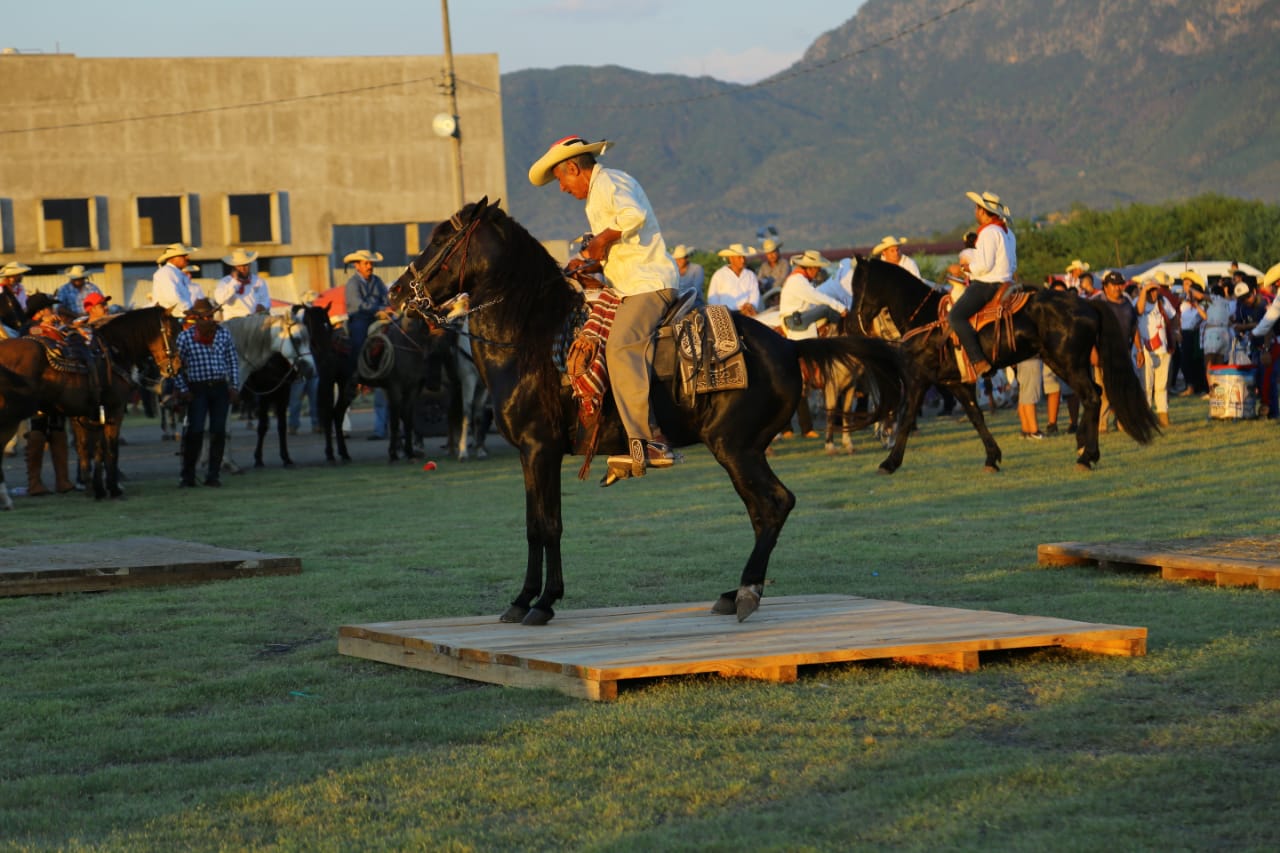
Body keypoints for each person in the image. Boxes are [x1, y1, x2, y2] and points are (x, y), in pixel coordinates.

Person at [528, 134, 679, 477]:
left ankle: (649, 441)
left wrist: (601, 239)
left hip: (647, 284)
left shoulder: (609, 181)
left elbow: (634, 215)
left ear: (572, 168)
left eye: (561, 179)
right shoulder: (599, 192)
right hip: (628, 287)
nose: (562, 188)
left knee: (621, 347)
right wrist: (589, 262)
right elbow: (619, 244)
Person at [778, 251, 846, 440]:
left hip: (799, 320)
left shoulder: (800, 280)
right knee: (827, 310)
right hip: (796, 322)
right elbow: (818, 298)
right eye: (816, 268)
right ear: (809, 268)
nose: (817, 271)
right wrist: (842, 308)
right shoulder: (798, 281)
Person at [172, 298, 240, 487]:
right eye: (204, 317)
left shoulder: (223, 334)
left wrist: (234, 386)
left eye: (210, 316)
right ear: (196, 318)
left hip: (220, 387)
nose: (209, 320)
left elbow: (232, 361)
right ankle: (188, 476)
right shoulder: (185, 337)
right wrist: (183, 389)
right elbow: (176, 367)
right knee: (195, 431)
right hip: (197, 389)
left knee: (218, 431)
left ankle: (213, 475)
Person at [950, 191, 1017, 376]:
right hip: (1007, 282)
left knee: (955, 316)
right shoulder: (1007, 232)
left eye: (976, 208)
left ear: (981, 210)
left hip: (988, 285)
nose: (975, 211)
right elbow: (1013, 264)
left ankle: (978, 360)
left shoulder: (988, 232)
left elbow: (984, 266)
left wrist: (963, 269)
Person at [21, 294, 77, 496]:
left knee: (58, 430)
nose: (53, 312)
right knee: (37, 431)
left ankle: (63, 480)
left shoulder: (54, 328)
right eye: (49, 308)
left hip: (56, 389)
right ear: (40, 312)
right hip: (38, 389)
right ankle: (34, 483)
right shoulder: (30, 329)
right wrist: (47, 327)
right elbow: (33, 339)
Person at [1097, 271, 1143, 432]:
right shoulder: (1098, 304)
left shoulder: (1127, 303)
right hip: (1104, 354)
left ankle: (1122, 422)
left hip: (1123, 354)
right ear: (1105, 286)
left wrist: (1139, 349)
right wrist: (1093, 353)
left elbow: (1134, 328)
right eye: (1113, 285)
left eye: (1120, 284)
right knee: (1105, 392)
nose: (1117, 288)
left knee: (1123, 389)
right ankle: (1101, 424)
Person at [1136, 276, 1178, 426]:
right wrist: (1144, 291)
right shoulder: (1137, 302)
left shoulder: (1163, 301)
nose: (1153, 293)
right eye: (1150, 290)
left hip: (1163, 348)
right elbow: (1139, 311)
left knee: (1162, 385)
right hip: (1145, 349)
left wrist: (1175, 332)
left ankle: (1163, 415)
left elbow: (1174, 316)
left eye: (1155, 290)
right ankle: (1146, 417)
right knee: (1146, 386)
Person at [343, 249, 388, 372]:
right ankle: (355, 373)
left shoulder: (377, 281)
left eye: (371, 263)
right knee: (359, 342)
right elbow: (358, 304)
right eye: (366, 263)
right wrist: (378, 309)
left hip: (378, 317)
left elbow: (386, 298)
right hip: (360, 318)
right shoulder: (352, 283)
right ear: (357, 266)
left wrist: (386, 308)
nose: (369, 266)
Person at [214, 249, 272, 319]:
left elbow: (266, 300)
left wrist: (262, 305)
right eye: (239, 266)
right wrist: (234, 282)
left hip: (254, 318)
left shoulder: (259, 281)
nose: (243, 269)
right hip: (233, 319)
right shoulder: (225, 282)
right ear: (234, 267)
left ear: (250, 265)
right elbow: (220, 300)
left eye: (245, 265)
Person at [707, 244, 761, 315]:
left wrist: (751, 306)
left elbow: (755, 295)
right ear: (731, 258)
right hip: (726, 315)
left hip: (746, 314)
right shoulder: (719, 275)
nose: (742, 260)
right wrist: (721, 312)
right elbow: (712, 298)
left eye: (743, 257)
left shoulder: (751, 275)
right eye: (739, 257)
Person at [150, 243, 203, 316]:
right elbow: (172, 297)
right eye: (183, 255)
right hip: (171, 317)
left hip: (179, 315)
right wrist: (189, 311)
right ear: (173, 258)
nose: (187, 258)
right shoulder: (166, 272)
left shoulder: (175, 272)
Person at [1178, 279, 1209, 396]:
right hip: (1185, 333)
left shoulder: (1204, 305)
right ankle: (1190, 385)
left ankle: (1201, 386)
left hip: (1198, 334)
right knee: (1185, 361)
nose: (1190, 295)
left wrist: (1196, 305)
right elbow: (1180, 318)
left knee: (1198, 361)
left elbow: (1205, 318)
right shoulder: (1184, 305)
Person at [1, 261, 31, 333]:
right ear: (13, 276)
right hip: (6, 322)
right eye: (20, 274)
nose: (22, 276)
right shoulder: (1, 289)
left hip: (20, 319)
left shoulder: (20, 288)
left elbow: (24, 306)